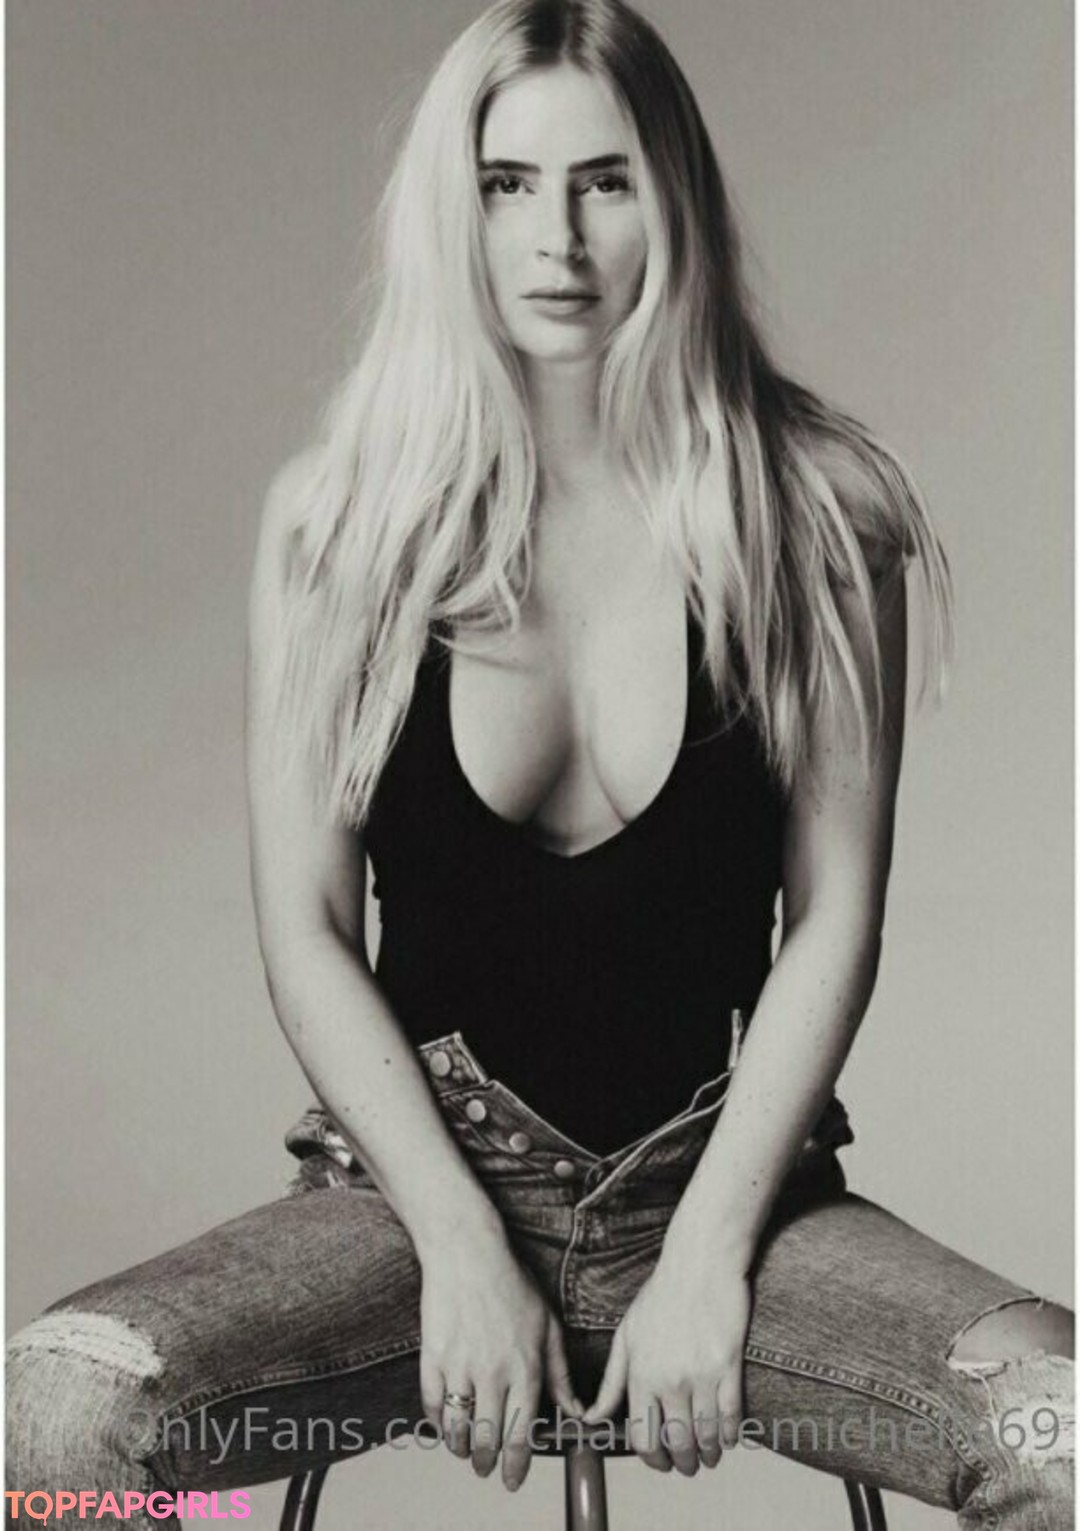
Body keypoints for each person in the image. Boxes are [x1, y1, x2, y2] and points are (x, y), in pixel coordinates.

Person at [7, 1, 1074, 1527]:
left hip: (728, 1197)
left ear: (674, 198)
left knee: (1062, 1433)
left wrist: (708, 1259)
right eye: (508, 184)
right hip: (405, 1205)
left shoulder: (819, 519)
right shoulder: (340, 528)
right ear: (456, 212)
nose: (557, 238)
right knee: (59, 1412)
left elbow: (835, 917)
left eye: (605, 180)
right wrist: (455, 1245)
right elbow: (306, 930)